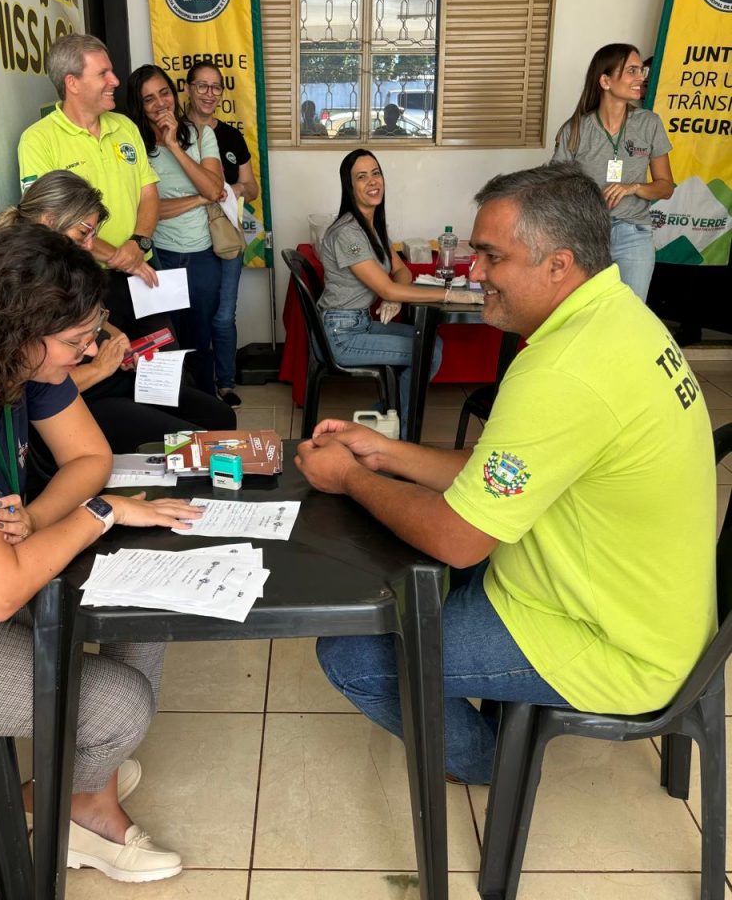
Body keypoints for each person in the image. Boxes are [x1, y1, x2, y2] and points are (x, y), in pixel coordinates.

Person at [296, 162, 715, 784]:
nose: (476, 274)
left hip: (610, 638)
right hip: (634, 600)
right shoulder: (617, 314)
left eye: (492, 257)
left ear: (558, 264)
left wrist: (351, 479)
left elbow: (458, 537)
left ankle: (495, 763)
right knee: (408, 575)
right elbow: (502, 469)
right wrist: (385, 453)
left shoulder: (564, 369)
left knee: (353, 654)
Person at [0, 223, 205, 881]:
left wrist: (34, 518)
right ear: (16, 329)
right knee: (118, 708)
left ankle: (82, 788)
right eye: (76, 341)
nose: (90, 351)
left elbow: (90, 456)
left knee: (146, 606)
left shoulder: (17, 364)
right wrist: (100, 514)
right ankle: (83, 805)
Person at [0, 170, 235, 489]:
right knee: (198, 445)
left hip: (106, 378)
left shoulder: (64, 268)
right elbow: (33, 389)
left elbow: (90, 317)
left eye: (93, 235)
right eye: (83, 234)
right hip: (75, 398)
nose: (90, 246)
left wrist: (114, 335)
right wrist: (100, 367)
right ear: (48, 221)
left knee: (220, 417)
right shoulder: (19, 282)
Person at [17, 33, 166, 341]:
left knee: (164, 359)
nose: (115, 81)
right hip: (83, 282)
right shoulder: (37, 140)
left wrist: (138, 245)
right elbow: (52, 223)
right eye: (103, 73)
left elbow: (149, 192)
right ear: (72, 83)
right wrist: (117, 257)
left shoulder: (125, 126)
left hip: (142, 269)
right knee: (113, 363)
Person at [317, 149, 464, 434]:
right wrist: (448, 295)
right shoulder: (347, 232)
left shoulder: (371, 226)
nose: (372, 181)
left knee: (433, 343)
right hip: (342, 334)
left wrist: (392, 296)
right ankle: (399, 433)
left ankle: (383, 421)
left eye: (376, 173)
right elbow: (387, 285)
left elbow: (402, 271)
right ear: (350, 186)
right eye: (362, 177)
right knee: (427, 353)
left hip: (360, 323)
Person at [125, 64, 231, 397]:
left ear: (174, 93)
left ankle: (206, 405)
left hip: (202, 257)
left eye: (164, 93)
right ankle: (175, 407)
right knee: (165, 340)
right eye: (149, 99)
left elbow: (214, 189)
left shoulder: (200, 134)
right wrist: (197, 198)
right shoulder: (134, 147)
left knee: (201, 338)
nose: (160, 104)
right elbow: (145, 212)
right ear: (139, 106)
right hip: (159, 257)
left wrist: (174, 145)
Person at [552, 42, 674, 301]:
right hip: (587, 236)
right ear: (605, 81)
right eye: (632, 71)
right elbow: (556, 189)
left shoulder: (649, 124)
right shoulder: (575, 129)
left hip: (634, 236)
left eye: (642, 71)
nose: (641, 78)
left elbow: (665, 187)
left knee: (630, 314)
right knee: (587, 312)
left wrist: (635, 187)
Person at [185, 60, 261, 408]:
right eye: (202, 86)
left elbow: (252, 188)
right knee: (194, 316)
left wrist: (227, 190)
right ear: (188, 89)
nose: (209, 94)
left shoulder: (230, 136)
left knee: (222, 314)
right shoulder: (175, 135)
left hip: (226, 236)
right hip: (186, 238)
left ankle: (225, 383)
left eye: (215, 87)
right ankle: (197, 385)